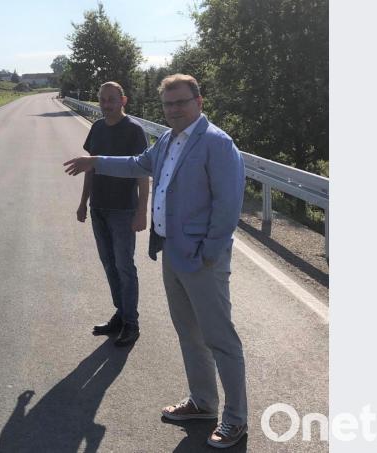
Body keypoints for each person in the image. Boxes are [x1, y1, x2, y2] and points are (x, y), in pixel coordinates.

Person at [63, 74, 248, 448]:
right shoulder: (166, 140)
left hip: (202, 260)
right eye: (168, 104)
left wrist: (210, 255)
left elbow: (228, 207)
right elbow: (137, 164)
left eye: (181, 102)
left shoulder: (216, 143)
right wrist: (95, 161)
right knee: (189, 333)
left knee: (220, 339)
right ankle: (202, 402)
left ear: (199, 101)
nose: (174, 109)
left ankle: (235, 419)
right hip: (173, 255)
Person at [78, 81, 150, 347]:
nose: (106, 104)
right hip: (99, 207)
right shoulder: (96, 128)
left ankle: (132, 323)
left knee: (124, 266)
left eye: (111, 99)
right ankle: (121, 314)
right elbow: (90, 167)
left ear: (123, 101)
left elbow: (143, 173)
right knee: (109, 264)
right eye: (102, 99)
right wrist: (83, 202)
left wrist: (142, 212)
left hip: (123, 210)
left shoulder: (134, 131)